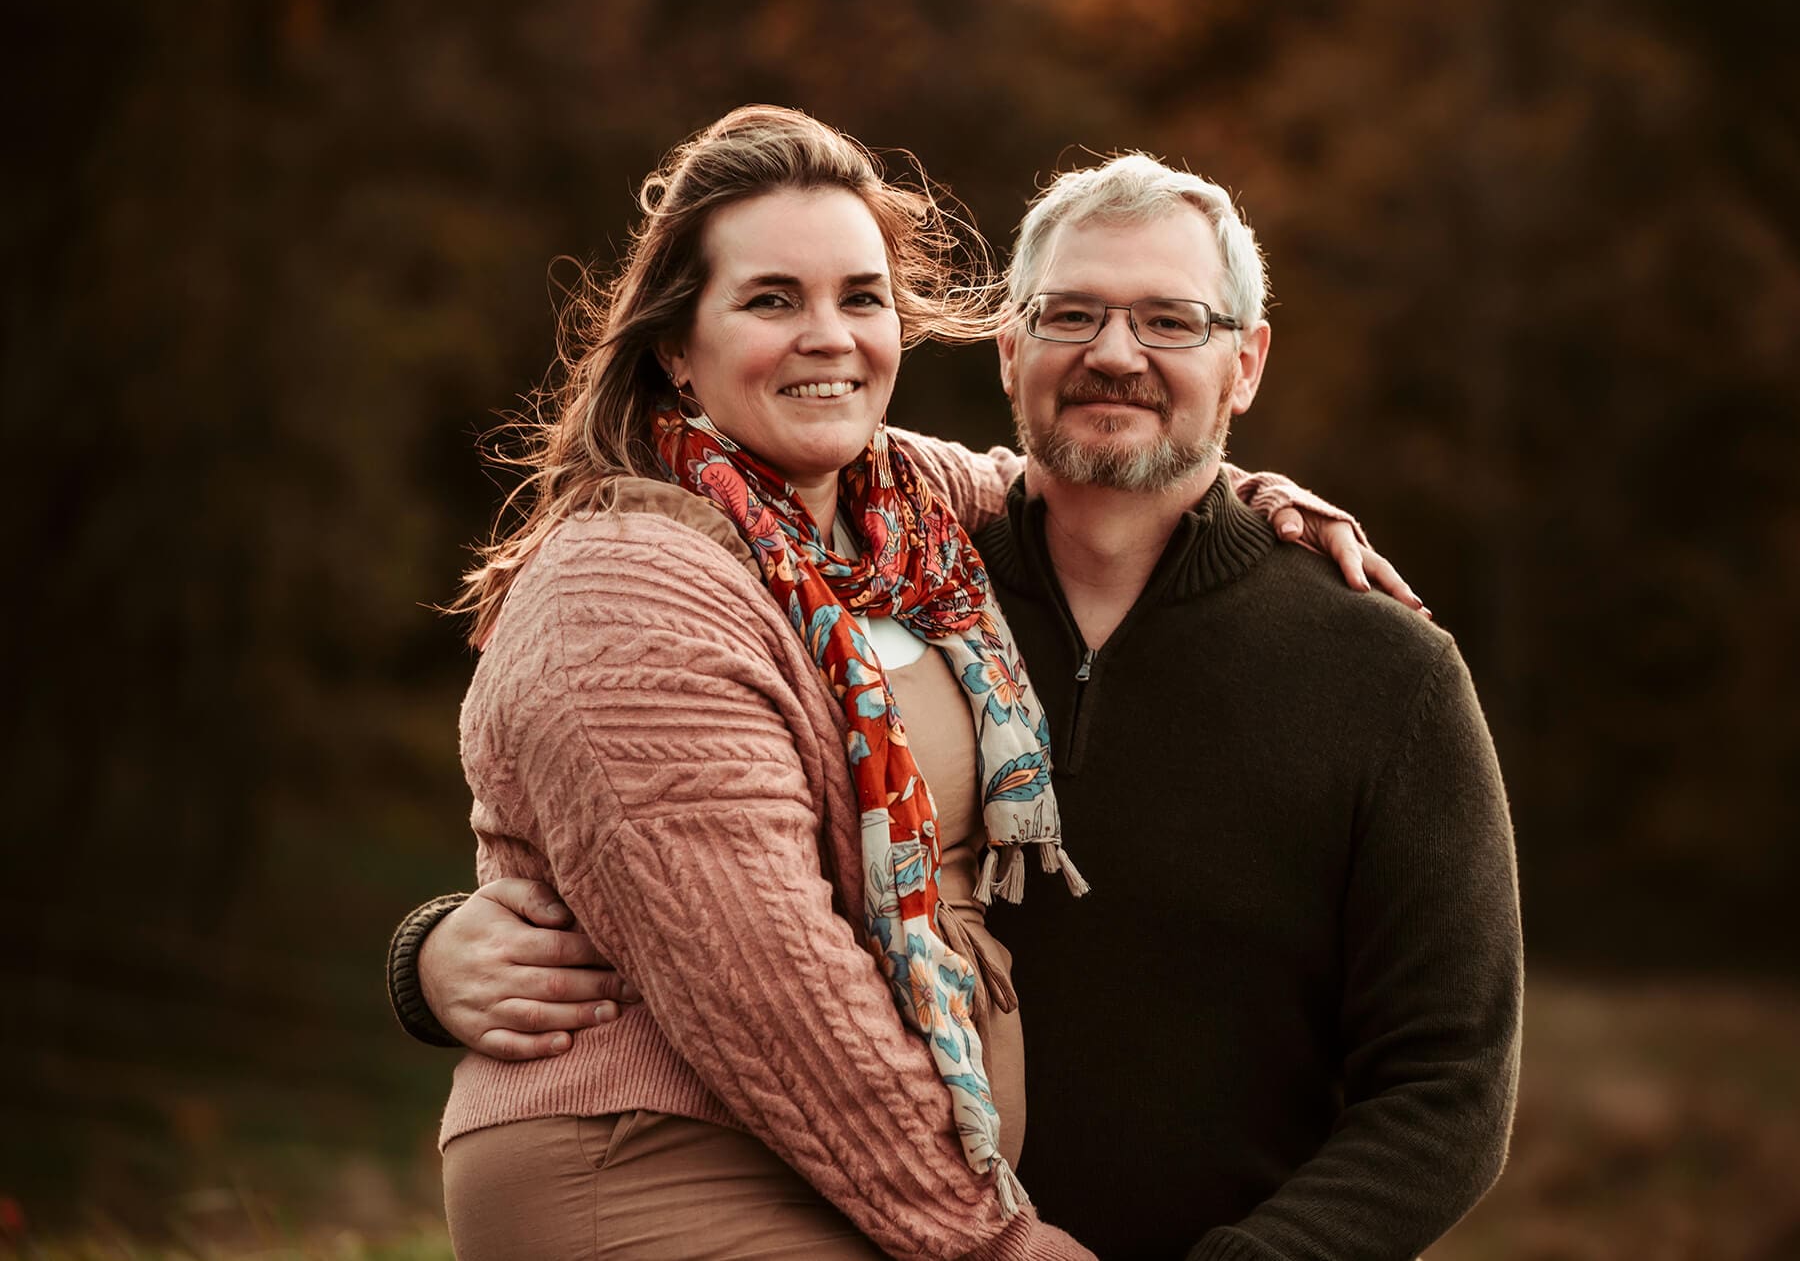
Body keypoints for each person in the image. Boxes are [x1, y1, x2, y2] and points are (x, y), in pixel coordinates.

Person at [407, 106, 1401, 1261]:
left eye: (860, 296)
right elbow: (768, 994)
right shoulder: (625, 587)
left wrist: (1259, 499)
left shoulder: (891, 511)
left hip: (854, 1175)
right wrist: (1001, 1247)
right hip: (659, 1159)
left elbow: (1085, 471)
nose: (828, 336)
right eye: (771, 298)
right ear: (676, 347)